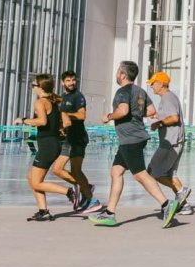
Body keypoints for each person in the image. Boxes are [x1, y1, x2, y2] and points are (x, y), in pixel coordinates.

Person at [91, 61, 175, 228]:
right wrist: (137, 112)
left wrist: (108, 117)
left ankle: (166, 204)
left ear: (122, 75)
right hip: (132, 138)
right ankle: (110, 213)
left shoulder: (122, 92)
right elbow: (151, 111)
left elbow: (123, 111)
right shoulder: (140, 91)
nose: (117, 74)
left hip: (131, 138)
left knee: (140, 175)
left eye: (117, 72)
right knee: (116, 172)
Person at [21, 73, 74, 221]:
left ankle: (69, 192)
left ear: (40, 87)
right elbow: (67, 122)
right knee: (31, 177)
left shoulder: (40, 102)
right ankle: (43, 211)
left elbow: (42, 122)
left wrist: (24, 120)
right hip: (53, 144)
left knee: (36, 182)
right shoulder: (55, 101)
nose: (33, 88)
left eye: (34, 86)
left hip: (47, 146)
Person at [145, 72, 192, 221]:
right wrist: (158, 117)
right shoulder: (169, 98)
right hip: (174, 141)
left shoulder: (167, 98)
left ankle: (180, 191)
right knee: (171, 174)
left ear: (160, 83)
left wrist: (159, 123)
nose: (151, 86)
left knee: (152, 172)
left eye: (153, 83)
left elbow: (174, 118)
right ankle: (184, 206)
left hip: (170, 142)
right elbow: (169, 115)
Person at [52, 71, 96, 213]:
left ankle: (91, 200)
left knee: (76, 171)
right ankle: (85, 187)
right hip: (67, 139)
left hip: (77, 139)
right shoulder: (62, 97)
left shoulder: (78, 96)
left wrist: (67, 115)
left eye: (73, 80)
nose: (72, 83)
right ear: (62, 82)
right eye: (68, 80)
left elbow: (82, 115)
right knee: (57, 170)